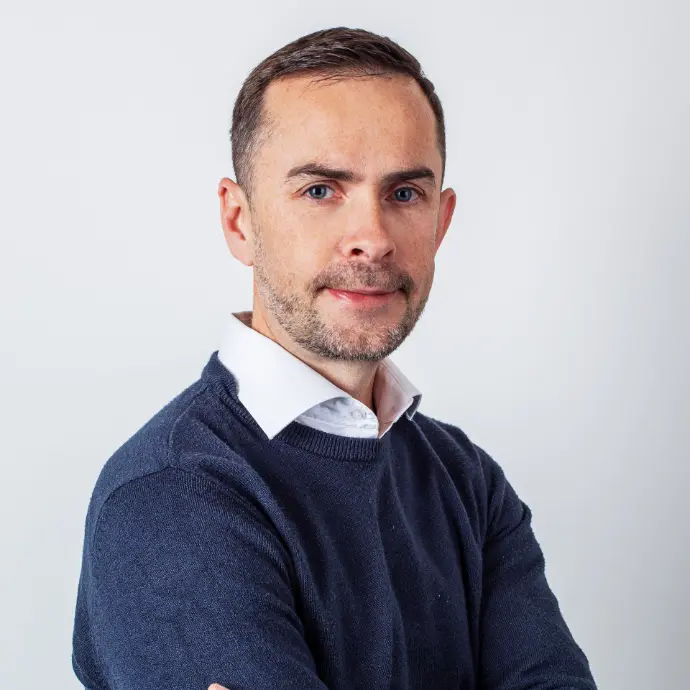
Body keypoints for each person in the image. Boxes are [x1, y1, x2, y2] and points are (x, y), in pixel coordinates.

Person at [71, 26, 597, 690]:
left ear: (440, 222)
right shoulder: (172, 496)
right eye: (321, 190)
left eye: (404, 194)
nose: (371, 238)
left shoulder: (466, 479)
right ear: (240, 221)